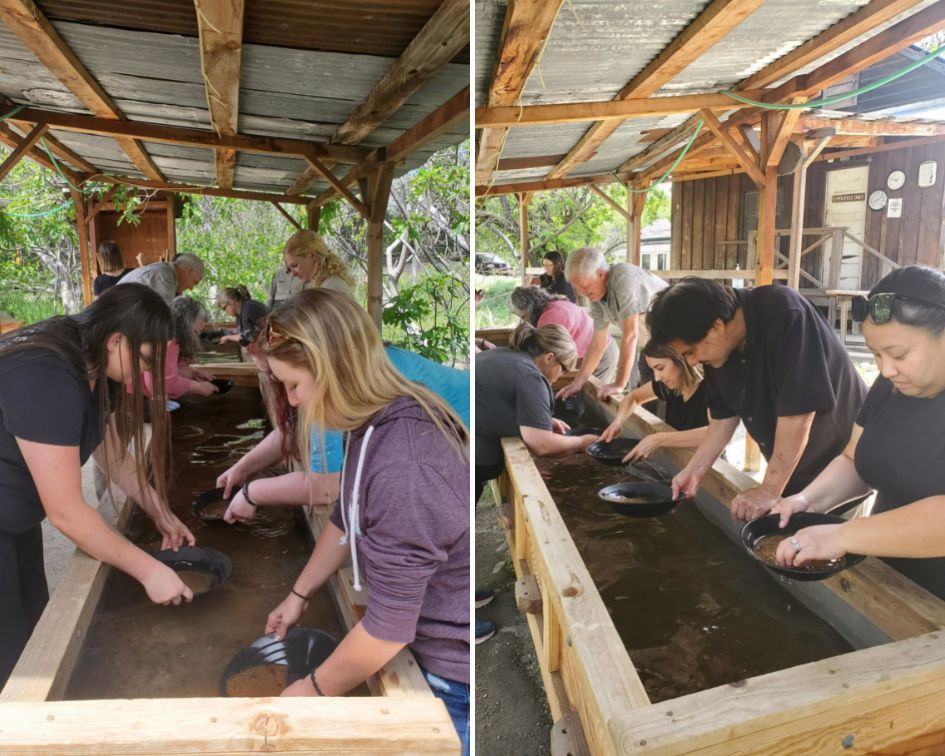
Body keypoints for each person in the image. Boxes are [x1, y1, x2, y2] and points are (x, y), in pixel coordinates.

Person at [232, 290, 470, 749]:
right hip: (420, 638)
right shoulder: (374, 420)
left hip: (446, 677)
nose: (293, 402)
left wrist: (309, 691)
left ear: (334, 370)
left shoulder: (407, 464)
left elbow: (387, 628)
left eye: (294, 385)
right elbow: (346, 517)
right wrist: (299, 594)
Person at [0, 284, 195, 687]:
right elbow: (66, 512)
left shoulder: (93, 361)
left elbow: (109, 449)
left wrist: (159, 511)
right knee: (11, 653)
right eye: (144, 360)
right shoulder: (46, 375)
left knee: (36, 624)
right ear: (117, 339)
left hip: (14, 518)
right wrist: (149, 571)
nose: (145, 373)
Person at [771, 267, 945, 600]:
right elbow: (854, 457)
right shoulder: (890, 387)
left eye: (899, 354)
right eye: (876, 354)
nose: (885, 369)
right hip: (891, 581)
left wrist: (845, 535)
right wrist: (807, 500)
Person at [646, 277, 866, 521]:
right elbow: (722, 419)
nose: (691, 361)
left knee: (827, 545)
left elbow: (798, 415)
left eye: (690, 352)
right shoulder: (714, 344)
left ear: (717, 327)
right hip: (790, 476)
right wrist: (694, 470)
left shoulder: (785, 313)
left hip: (841, 469)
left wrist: (769, 489)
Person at [217, 338, 469, 516]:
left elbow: (325, 489)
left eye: (292, 384)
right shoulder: (347, 357)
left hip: (471, 428)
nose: (291, 400)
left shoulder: (332, 389)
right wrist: (243, 467)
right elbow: (294, 430)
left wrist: (252, 493)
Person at [476, 322, 598, 501]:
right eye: (563, 369)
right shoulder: (530, 376)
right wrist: (582, 442)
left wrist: (543, 421)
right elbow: (541, 445)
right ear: (549, 357)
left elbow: (495, 403)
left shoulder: (503, 355)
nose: (559, 377)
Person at [557, 246, 667, 401]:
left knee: (671, 403)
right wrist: (577, 382)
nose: (581, 293)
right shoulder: (596, 295)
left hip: (678, 341)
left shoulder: (623, 277)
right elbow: (597, 344)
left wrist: (619, 383)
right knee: (647, 403)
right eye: (577, 288)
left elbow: (630, 335)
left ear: (600, 274)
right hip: (653, 346)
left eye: (585, 286)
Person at [600, 342, 709, 463]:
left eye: (660, 368)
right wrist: (618, 421)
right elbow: (633, 398)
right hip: (679, 460)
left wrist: (658, 439)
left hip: (708, 463)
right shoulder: (667, 385)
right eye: (653, 370)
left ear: (681, 360)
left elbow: (716, 433)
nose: (657, 378)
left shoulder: (711, 389)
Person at [509, 285, 618, 383]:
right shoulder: (553, 306)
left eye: (523, 317)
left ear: (530, 308)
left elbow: (546, 358)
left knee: (591, 395)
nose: (525, 322)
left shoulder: (551, 318)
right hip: (590, 352)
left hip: (601, 354)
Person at [145, 297, 217, 399]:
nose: (195, 337)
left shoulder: (164, 332)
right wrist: (198, 387)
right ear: (185, 324)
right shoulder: (171, 342)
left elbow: (164, 370)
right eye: (195, 332)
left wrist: (193, 372)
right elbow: (165, 383)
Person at [282, 230, 356, 299]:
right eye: (290, 269)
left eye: (295, 265)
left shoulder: (332, 288)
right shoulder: (323, 285)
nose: (293, 274)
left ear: (312, 255)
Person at [118, 253, 205, 303]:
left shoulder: (166, 272)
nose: (191, 288)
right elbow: (165, 319)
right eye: (194, 282)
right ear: (188, 271)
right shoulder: (165, 276)